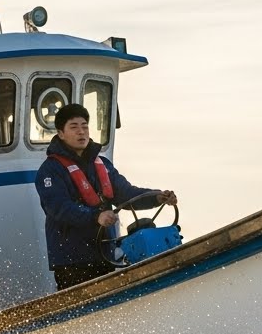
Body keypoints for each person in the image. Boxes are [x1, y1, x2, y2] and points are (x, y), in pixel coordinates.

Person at [36, 103, 178, 290]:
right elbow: (60, 208)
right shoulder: (49, 171)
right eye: (74, 127)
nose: (81, 132)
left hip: (106, 255)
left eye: (84, 126)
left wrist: (156, 197)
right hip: (72, 262)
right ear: (61, 133)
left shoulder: (102, 164)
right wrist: (96, 216)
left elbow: (126, 193)